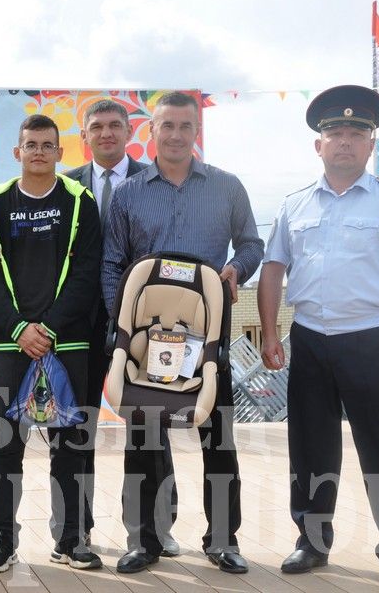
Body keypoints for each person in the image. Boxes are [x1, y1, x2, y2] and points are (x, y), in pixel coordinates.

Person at [258, 84, 379, 588]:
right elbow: (272, 269)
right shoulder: (294, 206)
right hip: (310, 339)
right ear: (319, 145)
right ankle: (311, 541)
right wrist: (270, 333)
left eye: (357, 132)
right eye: (335, 132)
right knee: (311, 446)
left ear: (372, 143)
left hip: (372, 339)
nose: (345, 140)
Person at [102, 91, 263, 575]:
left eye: (185, 126)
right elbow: (113, 263)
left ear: (197, 132)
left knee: (220, 441)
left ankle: (223, 540)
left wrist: (235, 269)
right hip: (146, 344)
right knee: (143, 444)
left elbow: (252, 244)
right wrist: (124, 328)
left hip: (207, 343)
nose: (175, 135)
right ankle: (144, 539)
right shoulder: (128, 193)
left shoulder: (227, 187)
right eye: (166, 125)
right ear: (150, 131)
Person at [0, 113, 103, 573]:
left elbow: (87, 271)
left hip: (67, 343)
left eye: (47, 145)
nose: (39, 152)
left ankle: (72, 539)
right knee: (8, 444)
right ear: (17, 152)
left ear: (60, 152)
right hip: (12, 343)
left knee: (70, 445)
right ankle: (3, 539)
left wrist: (48, 328)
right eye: (31, 145)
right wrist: (18, 329)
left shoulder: (80, 200)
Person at [63, 98, 181, 556]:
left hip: (144, 328)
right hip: (79, 325)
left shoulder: (155, 180)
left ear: (132, 132)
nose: (107, 133)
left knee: (150, 430)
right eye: (97, 127)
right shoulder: (66, 186)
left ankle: (155, 527)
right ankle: (78, 529)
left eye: (116, 125)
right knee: (79, 428)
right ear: (85, 137)